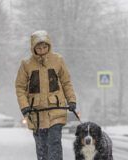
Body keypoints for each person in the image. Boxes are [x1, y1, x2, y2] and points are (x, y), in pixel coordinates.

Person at [15, 30, 80, 160]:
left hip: (56, 110)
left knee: (55, 142)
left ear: (49, 46)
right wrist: (25, 106)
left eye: (45, 47)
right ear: (33, 48)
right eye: (39, 48)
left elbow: (66, 82)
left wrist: (71, 100)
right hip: (36, 113)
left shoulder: (58, 60)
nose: (42, 50)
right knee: (42, 147)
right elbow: (20, 87)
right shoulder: (26, 64)